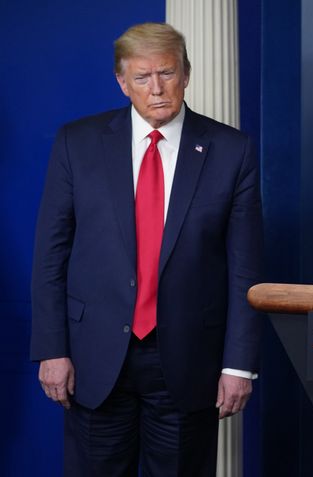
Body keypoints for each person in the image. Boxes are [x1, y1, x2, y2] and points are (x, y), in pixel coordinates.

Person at [30, 23, 263, 476]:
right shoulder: (76, 144)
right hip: (92, 358)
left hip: (188, 360)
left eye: (167, 73)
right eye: (142, 78)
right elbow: (50, 256)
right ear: (122, 83)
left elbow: (244, 270)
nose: (157, 89)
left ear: (186, 74)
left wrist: (239, 365)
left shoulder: (232, 151)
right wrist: (50, 349)